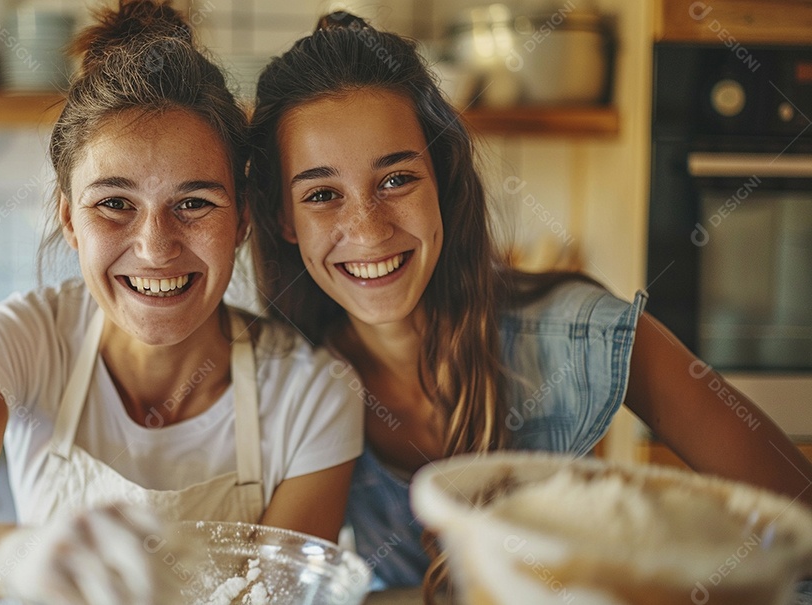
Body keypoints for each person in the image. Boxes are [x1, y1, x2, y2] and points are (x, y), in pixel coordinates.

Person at [247, 10, 812, 597]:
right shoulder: (297, 388)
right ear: (283, 219)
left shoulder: (585, 334)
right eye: (321, 194)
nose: (367, 230)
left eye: (396, 180)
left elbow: (801, 533)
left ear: (442, 179)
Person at [0, 3, 362, 604]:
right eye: (114, 204)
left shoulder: (311, 397)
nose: (155, 247)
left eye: (194, 203)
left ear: (243, 217)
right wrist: (16, 555)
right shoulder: (22, 341)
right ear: (69, 218)